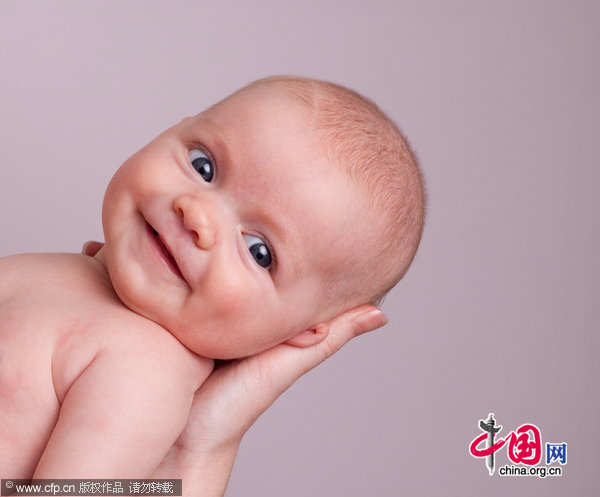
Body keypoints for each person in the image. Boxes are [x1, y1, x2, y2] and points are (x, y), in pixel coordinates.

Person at [0, 76, 425, 479]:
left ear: (305, 331)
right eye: (203, 165)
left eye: (259, 251)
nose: (198, 215)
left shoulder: (146, 370)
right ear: (175, 128)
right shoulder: (73, 278)